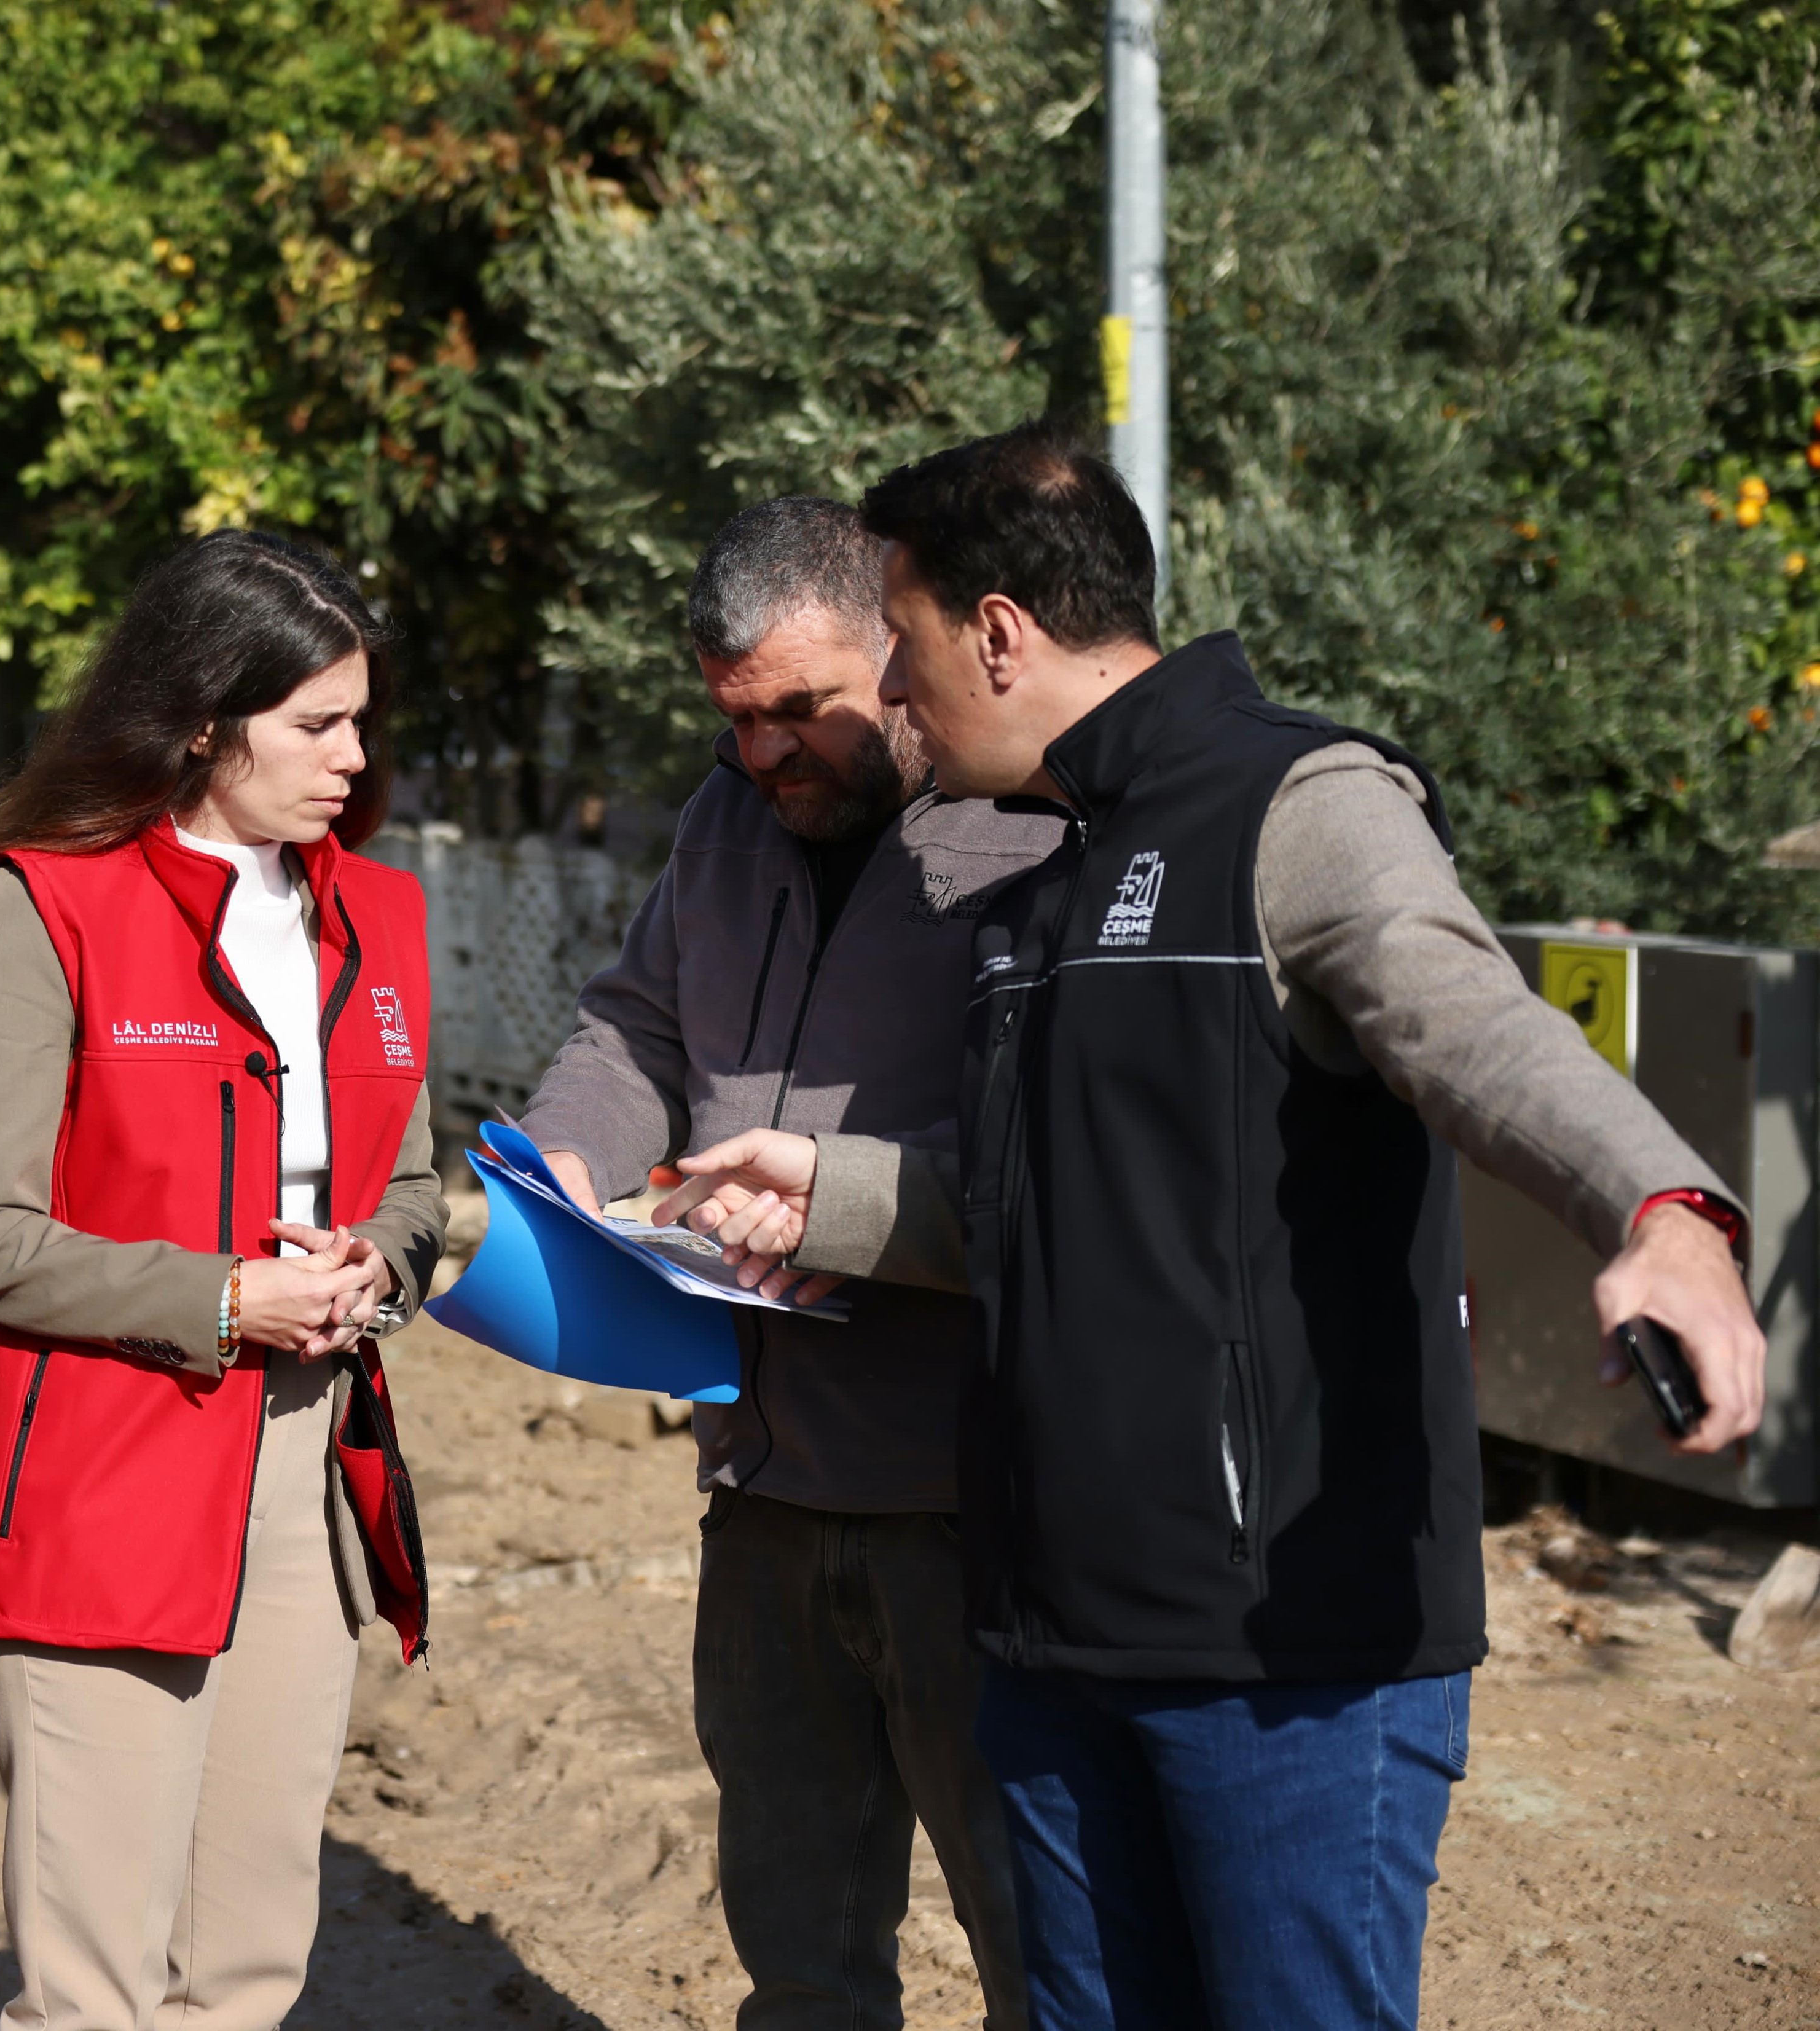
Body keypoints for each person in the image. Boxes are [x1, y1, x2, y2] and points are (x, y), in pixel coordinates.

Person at [658, 425, 1765, 2031]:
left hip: (1280, 1664)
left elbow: (1478, 1029)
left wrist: (1658, 1207)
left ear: (996, 631)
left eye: (894, 652)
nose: (886, 701)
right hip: (1044, 1642)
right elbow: (1040, 1209)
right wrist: (818, 1189)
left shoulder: (1297, 804)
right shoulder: (1038, 874)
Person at [0, 528, 447, 2031]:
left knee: (253, 1956)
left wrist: (371, 1263)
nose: (353, 757)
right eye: (317, 724)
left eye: (362, 723)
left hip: (306, 1456)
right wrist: (219, 1299)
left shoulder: (377, 917)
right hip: (103, 1458)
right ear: (203, 721)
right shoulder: (44, 903)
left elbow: (407, 1183)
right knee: (96, 1985)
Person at [519, 497, 1051, 2030]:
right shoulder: (722, 822)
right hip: (760, 1491)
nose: (763, 756)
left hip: (975, 1506)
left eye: (797, 712)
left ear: (900, 642)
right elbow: (637, 1025)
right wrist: (573, 1150)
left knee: (1045, 1950)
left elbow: (1068, 1170)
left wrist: (833, 1203)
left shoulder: (1036, 830)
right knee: (801, 1957)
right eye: (733, 720)